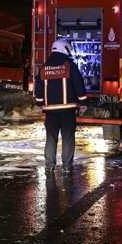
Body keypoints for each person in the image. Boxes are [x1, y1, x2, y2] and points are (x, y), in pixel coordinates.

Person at [34, 39, 88, 175]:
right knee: (68, 137)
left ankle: (49, 165)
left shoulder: (44, 67)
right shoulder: (70, 65)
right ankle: (67, 166)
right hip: (67, 110)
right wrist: (83, 102)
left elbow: (38, 88)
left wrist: (39, 103)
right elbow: (79, 85)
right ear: (65, 49)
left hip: (50, 112)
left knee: (51, 138)